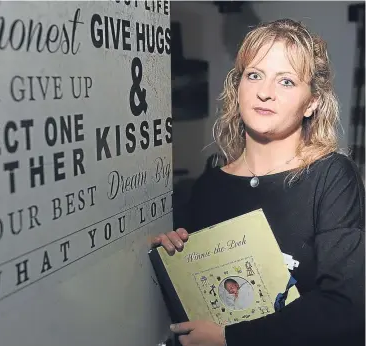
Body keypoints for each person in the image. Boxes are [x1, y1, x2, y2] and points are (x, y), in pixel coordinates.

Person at [152, 18, 365, 346]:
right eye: (255, 75)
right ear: (238, 88)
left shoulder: (332, 177)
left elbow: (347, 309)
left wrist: (230, 338)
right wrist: (175, 253)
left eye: (287, 82)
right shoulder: (208, 186)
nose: (265, 92)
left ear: (312, 103)